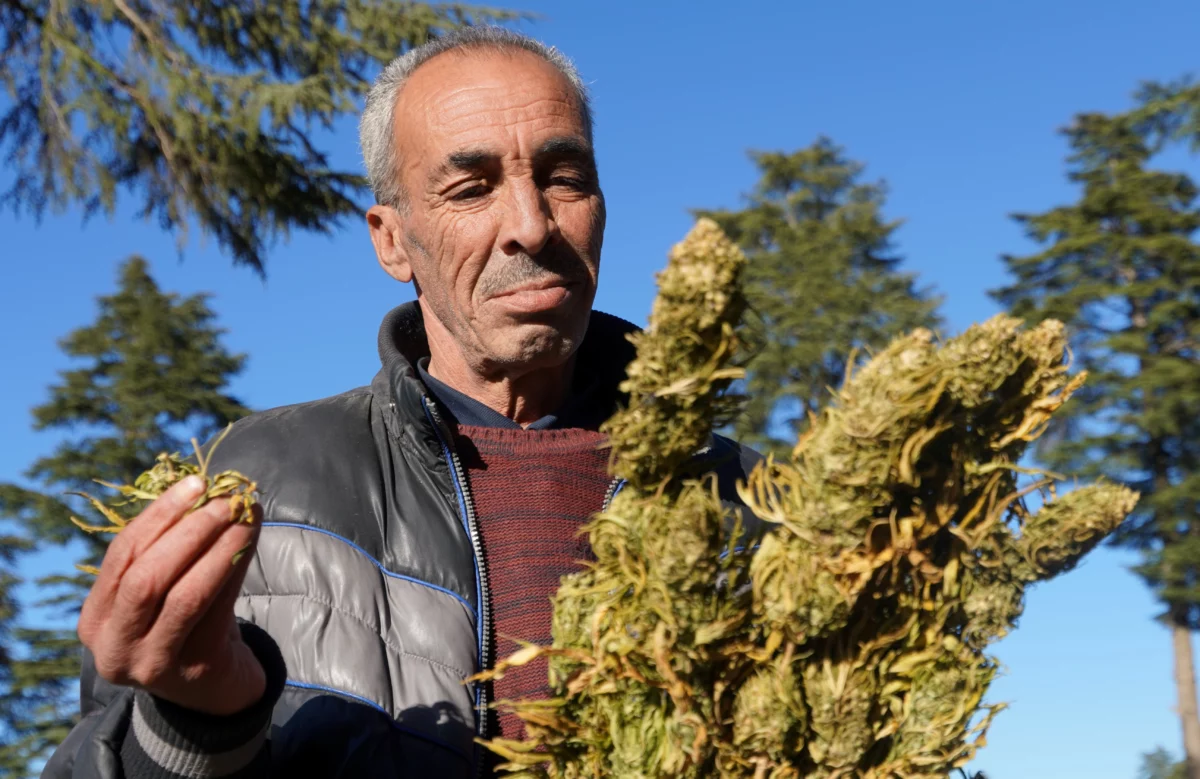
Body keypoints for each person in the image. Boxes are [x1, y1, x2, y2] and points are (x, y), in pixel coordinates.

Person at [42, 26, 761, 779]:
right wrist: (194, 721)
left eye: (564, 176)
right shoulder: (258, 490)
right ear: (392, 241)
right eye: (472, 187)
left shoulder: (758, 507)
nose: (531, 224)